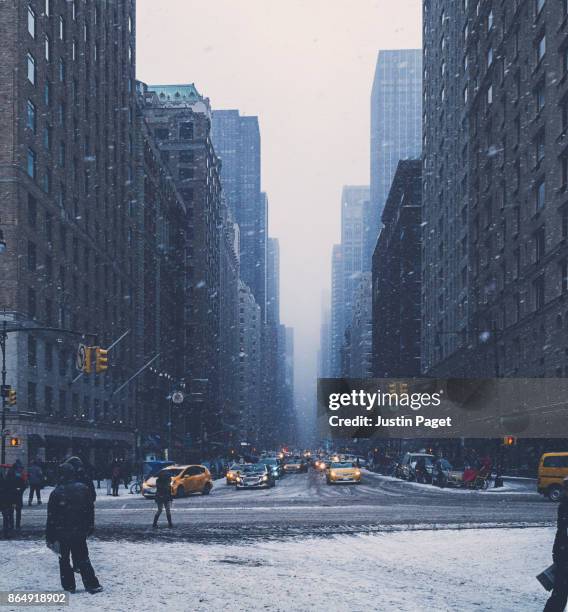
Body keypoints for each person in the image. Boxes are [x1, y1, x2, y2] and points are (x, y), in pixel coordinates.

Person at [46, 462, 102, 594]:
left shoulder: (56, 492)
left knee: (64, 559)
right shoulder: (83, 488)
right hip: (79, 529)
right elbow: (90, 509)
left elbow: (51, 517)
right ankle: (91, 584)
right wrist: (90, 525)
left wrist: (50, 536)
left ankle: (69, 585)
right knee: (82, 557)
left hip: (62, 531)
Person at [544, 477, 568, 611]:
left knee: (559, 594)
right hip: (564, 556)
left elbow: (561, 533)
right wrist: (557, 553)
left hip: (564, 555)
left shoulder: (564, 506)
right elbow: (561, 533)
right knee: (559, 594)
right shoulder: (564, 506)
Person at [6, 461, 27, 530]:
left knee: (11, 512)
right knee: (18, 511)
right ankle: (17, 525)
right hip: (17, 496)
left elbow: (6, 486)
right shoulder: (18, 476)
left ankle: (11, 525)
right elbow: (24, 485)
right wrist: (20, 491)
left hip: (10, 496)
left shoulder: (8, 476)